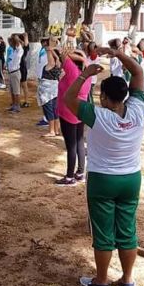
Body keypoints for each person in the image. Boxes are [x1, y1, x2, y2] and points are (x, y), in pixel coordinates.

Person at [64, 45, 144, 286]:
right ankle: (127, 279)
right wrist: (119, 54)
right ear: (125, 95)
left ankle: (101, 280)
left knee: (103, 231)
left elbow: (68, 100)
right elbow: (139, 73)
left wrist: (84, 74)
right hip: (130, 178)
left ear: (103, 97)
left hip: (102, 179)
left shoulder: (97, 116)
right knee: (127, 229)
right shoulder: (138, 109)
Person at [56, 47, 91, 186]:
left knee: (71, 145)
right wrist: (81, 56)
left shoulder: (72, 73)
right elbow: (83, 59)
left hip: (67, 112)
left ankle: (70, 177)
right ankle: (80, 173)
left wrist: (58, 47)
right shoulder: (86, 73)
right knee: (79, 142)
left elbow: (63, 55)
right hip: (80, 112)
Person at [37, 39, 61, 138]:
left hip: (47, 91)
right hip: (55, 89)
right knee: (55, 109)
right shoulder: (59, 64)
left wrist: (50, 47)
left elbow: (48, 50)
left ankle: (51, 131)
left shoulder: (50, 65)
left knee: (49, 109)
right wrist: (54, 49)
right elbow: (52, 52)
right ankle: (56, 129)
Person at [7, 34, 23, 113]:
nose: (10, 44)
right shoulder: (13, 51)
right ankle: (13, 105)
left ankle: (17, 106)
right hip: (11, 73)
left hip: (15, 72)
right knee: (12, 91)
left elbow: (17, 42)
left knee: (16, 91)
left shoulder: (19, 50)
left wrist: (15, 37)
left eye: (11, 42)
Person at [19, 32, 30, 107]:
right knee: (18, 85)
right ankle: (18, 101)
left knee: (24, 85)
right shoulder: (18, 48)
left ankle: (26, 101)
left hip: (22, 67)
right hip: (18, 67)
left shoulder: (25, 48)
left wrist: (24, 36)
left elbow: (26, 36)